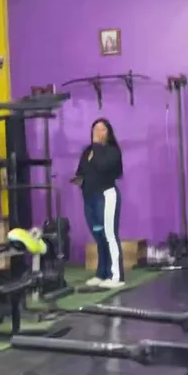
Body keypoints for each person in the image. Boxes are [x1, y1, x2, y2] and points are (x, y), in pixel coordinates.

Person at [73, 118, 125, 289]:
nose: (98, 132)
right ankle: (101, 272)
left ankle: (116, 275)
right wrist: (79, 180)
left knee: (110, 235)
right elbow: (81, 170)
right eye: (95, 129)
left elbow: (103, 166)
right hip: (90, 198)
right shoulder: (88, 151)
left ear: (108, 133)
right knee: (99, 236)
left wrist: (97, 146)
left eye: (102, 129)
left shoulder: (112, 151)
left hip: (106, 195)